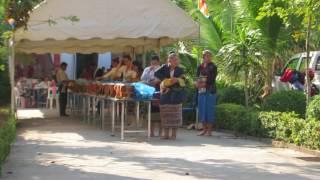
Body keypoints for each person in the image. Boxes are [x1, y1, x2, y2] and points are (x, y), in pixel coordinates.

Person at [154, 52, 186, 139]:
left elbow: (184, 80)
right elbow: (156, 73)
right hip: (165, 93)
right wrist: (165, 80)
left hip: (176, 93)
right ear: (169, 60)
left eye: (177, 60)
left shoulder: (180, 70)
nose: (176, 61)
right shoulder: (164, 67)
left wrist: (177, 80)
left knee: (175, 114)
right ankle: (166, 134)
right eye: (174, 60)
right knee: (166, 113)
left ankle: (174, 134)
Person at [195, 50, 218, 136]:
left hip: (210, 90)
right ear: (203, 57)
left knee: (210, 110)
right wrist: (197, 83)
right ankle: (204, 129)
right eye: (206, 56)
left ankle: (209, 131)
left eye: (210, 56)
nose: (208, 58)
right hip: (201, 91)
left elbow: (212, 78)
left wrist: (204, 83)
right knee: (202, 110)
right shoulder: (199, 67)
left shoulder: (213, 66)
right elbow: (197, 77)